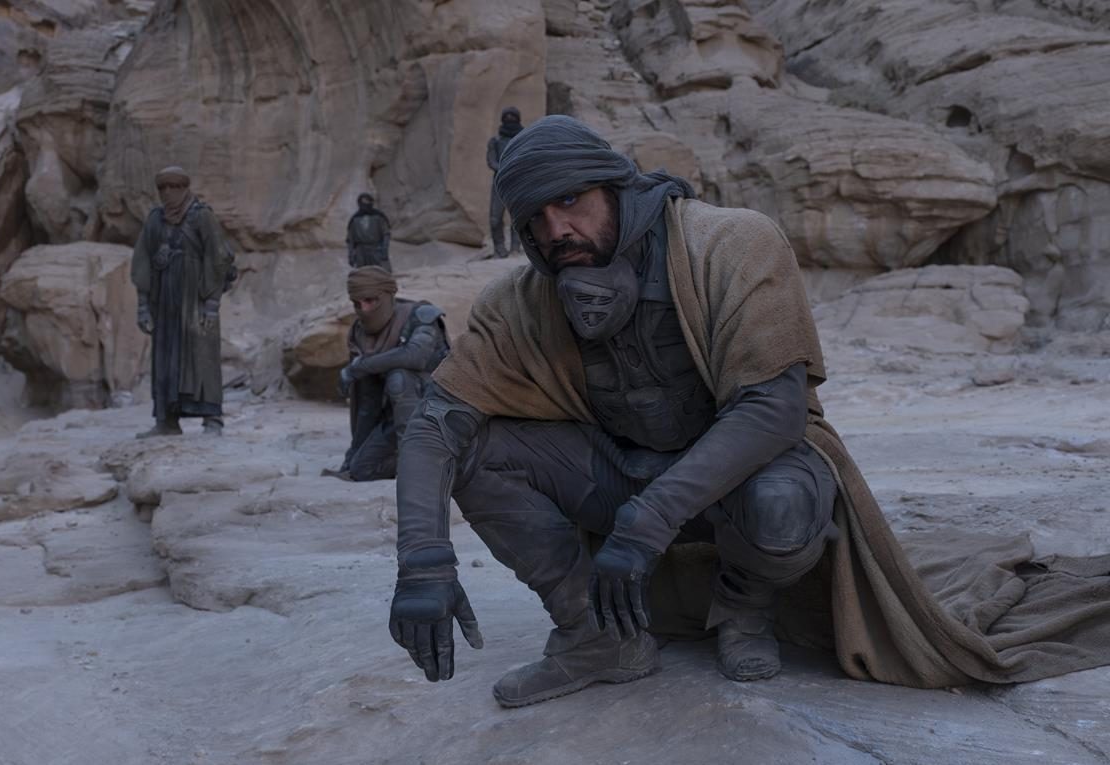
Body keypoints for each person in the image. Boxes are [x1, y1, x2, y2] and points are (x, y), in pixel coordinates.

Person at [386, 116, 1110, 709]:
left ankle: (743, 608)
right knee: (479, 451)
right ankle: (596, 635)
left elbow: (774, 408)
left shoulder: (729, 243)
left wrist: (647, 520)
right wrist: (422, 562)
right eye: (536, 219)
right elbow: (435, 423)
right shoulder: (522, 298)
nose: (557, 230)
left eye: (571, 201)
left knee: (785, 501)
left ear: (615, 186)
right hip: (620, 471)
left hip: (739, 479)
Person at [131, 166, 235, 438]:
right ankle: (167, 422)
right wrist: (143, 305)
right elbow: (141, 261)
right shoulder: (155, 219)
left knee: (202, 356)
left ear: (184, 188)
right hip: (164, 301)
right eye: (163, 188)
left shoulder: (202, 217)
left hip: (196, 300)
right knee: (165, 358)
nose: (168, 193)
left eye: (174, 186)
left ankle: (212, 419)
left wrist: (211, 304)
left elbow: (219, 257)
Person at [329, 267, 449, 482]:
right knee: (361, 469)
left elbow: (415, 356)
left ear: (387, 295)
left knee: (399, 377)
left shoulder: (420, 316)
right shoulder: (360, 332)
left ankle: (418, 465)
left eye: (370, 300)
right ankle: (422, 462)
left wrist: (358, 367)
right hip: (397, 417)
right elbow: (367, 402)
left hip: (440, 413)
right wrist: (352, 456)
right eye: (357, 303)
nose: (364, 309)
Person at [486, 106, 523, 259]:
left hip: (518, 181)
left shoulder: (523, 139)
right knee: (495, 218)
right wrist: (503, 169)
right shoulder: (495, 141)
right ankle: (499, 249)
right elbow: (491, 161)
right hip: (499, 183)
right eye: (506, 116)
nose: (509, 119)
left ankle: (515, 247)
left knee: (518, 216)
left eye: (512, 116)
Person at [346, 193, 392, 272]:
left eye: (367, 201)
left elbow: (386, 234)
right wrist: (351, 255)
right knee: (362, 275)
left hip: (376, 249)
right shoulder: (355, 219)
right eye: (363, 202)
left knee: (382, 273)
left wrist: (384, 250)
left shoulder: (379, 217)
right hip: (361, 252)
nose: (365, 204)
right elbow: (350, 240)